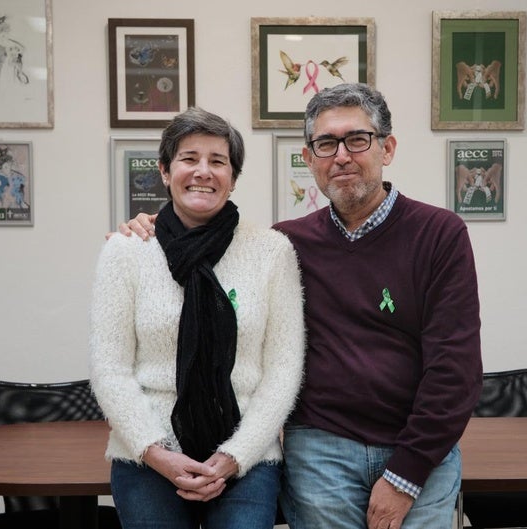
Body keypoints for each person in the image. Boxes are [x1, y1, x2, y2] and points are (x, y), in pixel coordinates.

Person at [119, 84, 483, 529]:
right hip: (321, 446)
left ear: (386, 148)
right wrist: (155, 228)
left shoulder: (439, 234)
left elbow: (456, 369)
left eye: (357, 139)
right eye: (325, 144)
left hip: (418, 447)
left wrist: (405, 476)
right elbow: (208, 244)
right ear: (309, 159)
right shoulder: (285, 244)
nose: (342, 155)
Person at [90, 107, 305, 529]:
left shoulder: (272, 251)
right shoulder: (126, 251)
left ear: (233, 176)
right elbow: (109, 369)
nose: (203, 171)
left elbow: (283, 370)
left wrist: (233, 456)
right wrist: (158, 453)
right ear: (166, 171)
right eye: (189, 159)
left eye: (218, 161)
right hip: (147, 453)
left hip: (246, 454)